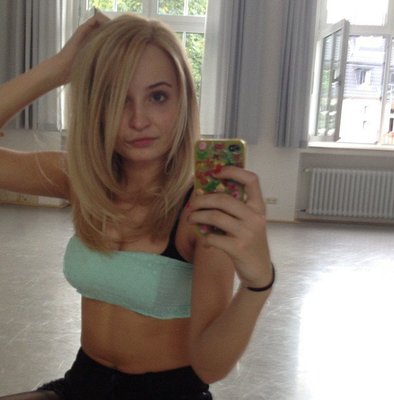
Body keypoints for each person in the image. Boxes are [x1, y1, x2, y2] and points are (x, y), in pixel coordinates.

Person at [0, 11, 275, 400]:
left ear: (183, 101)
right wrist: (58, 69)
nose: (139, 119)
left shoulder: (203, 209)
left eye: (157, 97)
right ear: (96, 107)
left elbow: (210, 366)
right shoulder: (80, 180)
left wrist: (257, 283)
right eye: (116, 98)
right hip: (82, 385)